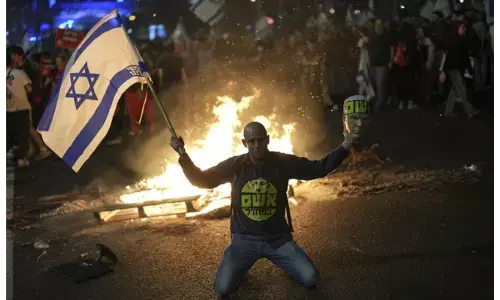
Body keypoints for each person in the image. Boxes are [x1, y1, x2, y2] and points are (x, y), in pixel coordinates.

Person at [170, 96, 370, 299]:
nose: (257, 145)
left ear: (267, 140)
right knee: (223, 288)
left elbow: (319, 168)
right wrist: (182, 155)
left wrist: (345, 146)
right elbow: (202, 180)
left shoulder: (282, 162)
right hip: (243, 240)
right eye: (252, 141)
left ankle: (284, 264)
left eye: (260, 140)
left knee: (311, 278)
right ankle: (240, 265)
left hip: (278, 240)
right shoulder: (235, 165)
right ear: (244, 143)